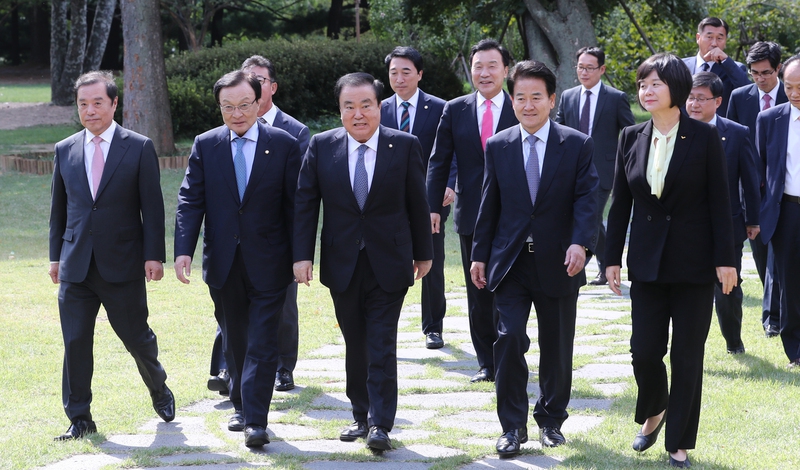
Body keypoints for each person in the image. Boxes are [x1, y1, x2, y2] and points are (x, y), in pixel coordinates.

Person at [605, 53, 736, 468]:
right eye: (642, 84)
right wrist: (610, 258)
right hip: (646, 262)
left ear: (675, 89)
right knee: (643, 351)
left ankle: (677, 439)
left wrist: (726, 260)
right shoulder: (630, 137)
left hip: (694, 264)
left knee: (686, 355)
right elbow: (620, 202)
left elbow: (721, 202)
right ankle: (654, 409)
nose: (646, 91)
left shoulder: (704, 137)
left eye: (655, 84)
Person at [293, 72, 433, 451]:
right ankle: (360, 414)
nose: (358, 113)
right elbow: (306, 204)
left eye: (366, 105)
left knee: (381, 341)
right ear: (339, 111)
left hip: (390, 260)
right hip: (342, 262)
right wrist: (301, 256)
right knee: (355, 342)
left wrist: (424, 253)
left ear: (379, 107)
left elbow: (417, 204)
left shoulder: (404, 146)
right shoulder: (322, 146)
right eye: (349, 106)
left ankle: (380, 424)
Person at [470, 60, 598, 456]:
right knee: (508, 340)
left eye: (536, 97)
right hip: (510, 262)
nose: (528, 105)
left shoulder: (575, 143)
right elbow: (489, 205)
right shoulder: (499, 144)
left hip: (561, 260)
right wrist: (479, 255)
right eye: (520, 97)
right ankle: (512, 427)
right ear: (512, 99)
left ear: (552, 100)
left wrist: (581, 243)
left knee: (557, 345)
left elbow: (587, 199)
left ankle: (551, 419)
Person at [173, 70, 301, 447]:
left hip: (271, 261)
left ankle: (256, 421)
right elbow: (190, 200)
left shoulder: (283, 144)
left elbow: (297, 207)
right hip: (224, 261)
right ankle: (241, 406)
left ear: (260, 102)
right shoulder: (206, 144)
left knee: (263, 340)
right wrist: (184, 249)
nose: (237, 113)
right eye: (227, 107)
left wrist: (301, 257)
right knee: (235, 339)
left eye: (245, 105)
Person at [49, 70, 174, 440]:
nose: (90, 110)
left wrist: (155, 255)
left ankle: (158, 387)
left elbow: (152, 208)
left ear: (114, 103)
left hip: (123, 263)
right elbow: (59, 209)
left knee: (136, 337)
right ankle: (80, 418)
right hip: (75, 265)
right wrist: (55, 257)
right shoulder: (65, 148)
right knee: (75, 342)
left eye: (97, 103)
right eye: (83, 104)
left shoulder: (138, 146)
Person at [427, 39, 518, 383]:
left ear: (505, 70)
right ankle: (487, 362)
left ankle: (512, 350)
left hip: (514, 216)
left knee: (510, 288)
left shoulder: (519, 107)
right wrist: (432, 205)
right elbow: (438, 160)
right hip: (472, 215)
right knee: (478, 290)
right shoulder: (456, 109)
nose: (484, 72)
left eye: (492, 65)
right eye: (478, 66)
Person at [380, 46, 452, 349]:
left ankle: (433, 326)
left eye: (406, 71)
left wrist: (451, 184)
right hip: (385, 201)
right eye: (393, 72)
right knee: (385, 265)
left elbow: (452, 151)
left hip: (428, 198)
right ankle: (384, 328)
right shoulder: (377, 108)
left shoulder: (440, 108)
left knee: (431, 262)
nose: (399, 78)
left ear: (419, 74)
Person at [687, 72, 760, 354]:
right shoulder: (676, 131)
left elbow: (750, 181)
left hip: (728, 224)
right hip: (687, 225)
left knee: (728, 286)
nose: (694, 104)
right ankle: (692, 344)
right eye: (690, 98)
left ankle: (733, 341)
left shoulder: (736, 133)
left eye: (701, 99)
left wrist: (752, 219)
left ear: (717, 101)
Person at [555, 46, 635, 286]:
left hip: (602, 170)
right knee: (590, 220)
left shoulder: (615, 97)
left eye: (590, 68)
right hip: (570, 169)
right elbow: (558, 129)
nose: (584, 72)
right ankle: (603, 263)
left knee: (593, 217)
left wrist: (627, 166)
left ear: (602, 69)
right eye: (580, 67)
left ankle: (583, 263)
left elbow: (630, 133)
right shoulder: (568, 96)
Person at [727, 41, 787, 338]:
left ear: (778, 68)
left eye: (766, 72)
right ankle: (772, 315)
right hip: (752, 191)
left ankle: (779, 314)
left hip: (787, 189)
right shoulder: (740, 97)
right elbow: (729, 142)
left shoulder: (793, 93)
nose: (760, 79)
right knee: (763, 256)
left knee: (785, 256)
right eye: (754, 73)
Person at [756, 54, 800, 368]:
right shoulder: (770, 119)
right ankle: (795, 349)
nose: (795, 93)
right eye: (790, 87)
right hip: (787, 211)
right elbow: (758, 170)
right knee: (789, 282)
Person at [681, 17, 750, 118]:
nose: (714, 43)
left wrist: (726, 62)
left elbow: (749, 93)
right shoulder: (681, 66)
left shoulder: (734, 68)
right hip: (685, 129)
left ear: (725, 40)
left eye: (719, 38)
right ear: (698, 38)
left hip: (718, 130)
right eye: (709, 37)